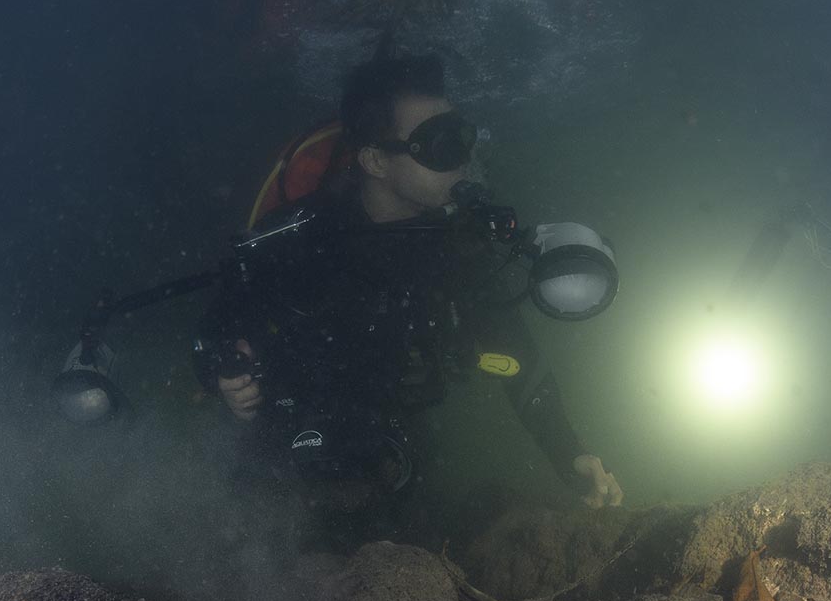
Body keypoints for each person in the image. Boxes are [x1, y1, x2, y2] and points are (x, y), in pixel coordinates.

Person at [194, 53, 622, 545]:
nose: (461, 158)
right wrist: (225, 377)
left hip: (398, 457)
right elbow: (214, 330)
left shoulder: (460, 248)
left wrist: (571, 454)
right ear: (375, 160)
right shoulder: (296, 240)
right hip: (285, 455)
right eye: (437, 145)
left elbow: (516, 359)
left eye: (461, 136)